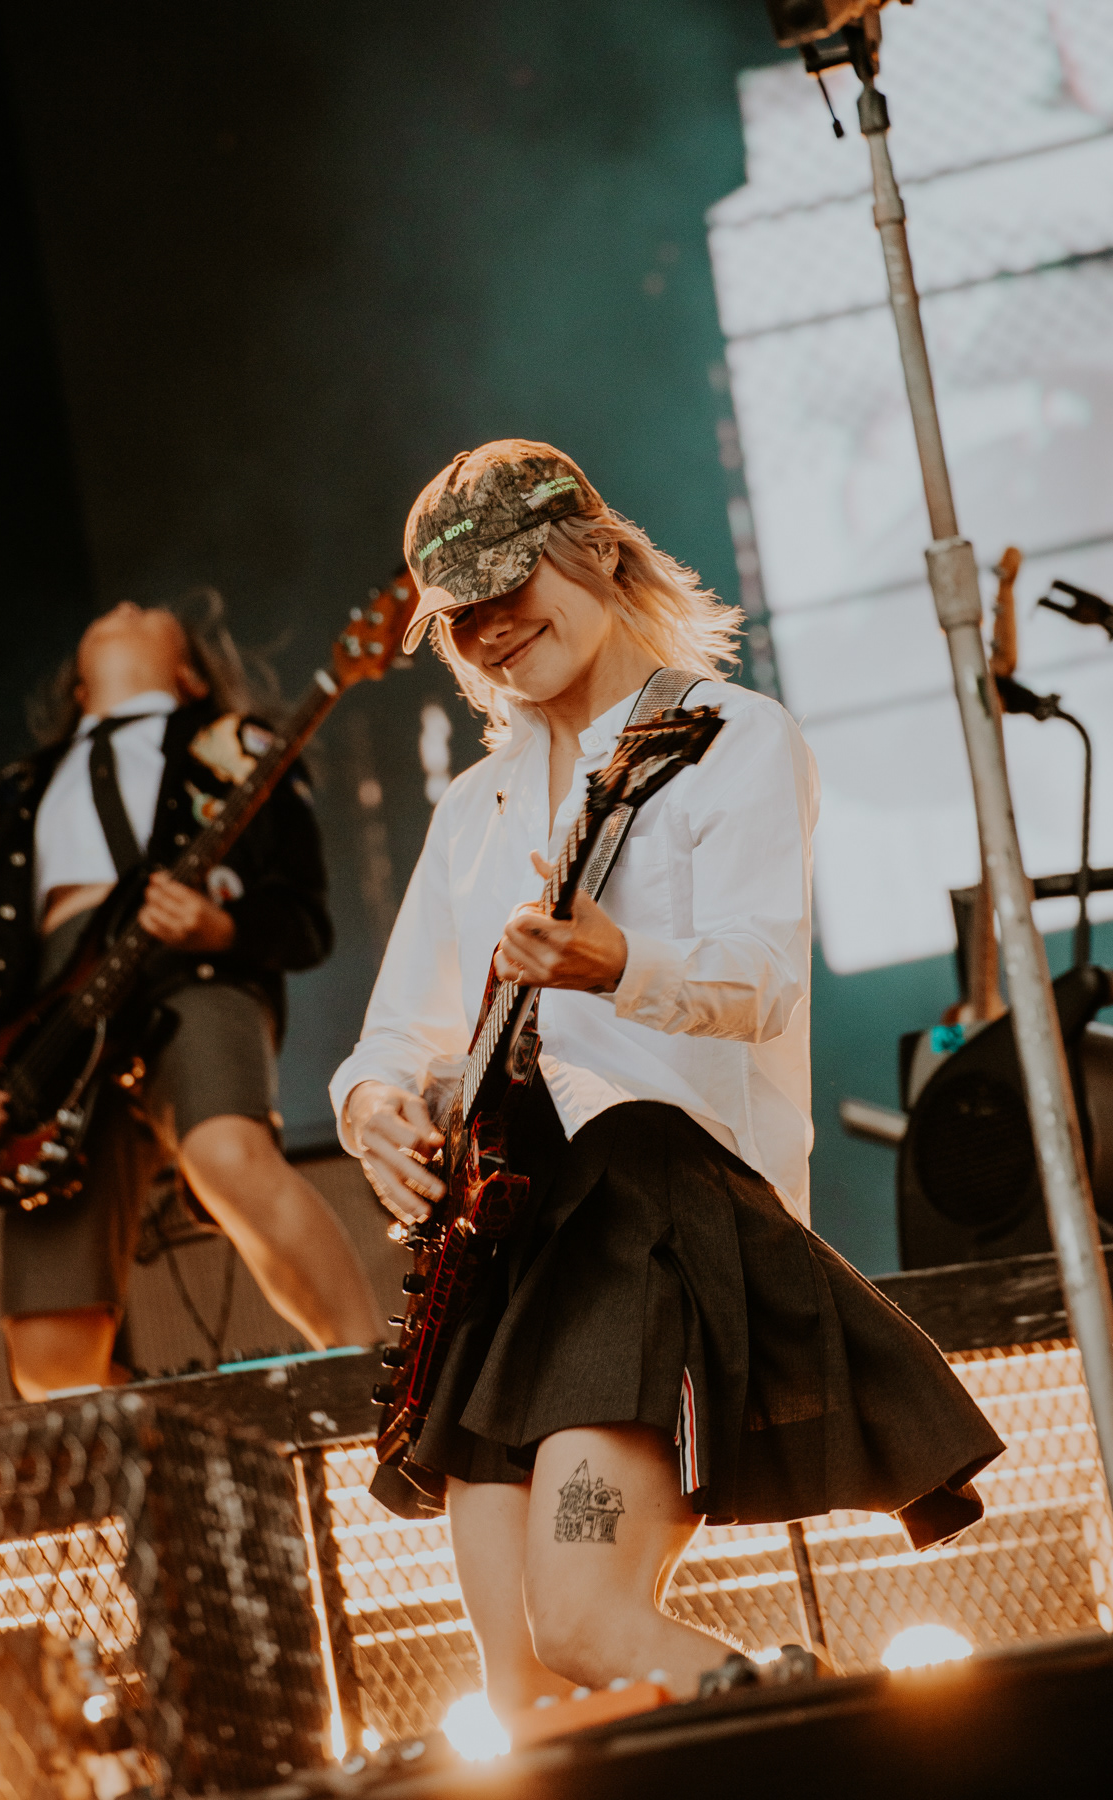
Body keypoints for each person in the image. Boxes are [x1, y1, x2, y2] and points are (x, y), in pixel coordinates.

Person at [330, 442, 1004, 1718]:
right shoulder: (470, 810)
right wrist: (372, 1110)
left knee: (586, 1620)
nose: (485, 629)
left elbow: (762, 980)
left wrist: (616, 960)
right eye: (457, 613)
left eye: (504, 584)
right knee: (521, 1699)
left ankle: (819, 1734)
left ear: (595, 550)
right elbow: (390, 1041)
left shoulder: (732, 740)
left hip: (658, 1214)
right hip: (506, 1248)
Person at [0, 593, 385, 1399]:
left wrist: (220, 928)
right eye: (110, 613)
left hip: (187, 972)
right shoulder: (9, 797)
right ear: (75, 692)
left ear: (190, 673)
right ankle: (159, 1477)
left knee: (225, 1155)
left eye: (152, 615)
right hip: (48, 1029)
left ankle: (378, 1384)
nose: (127, 604)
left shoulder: (240, 746)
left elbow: (306, 919)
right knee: (48, 1362)